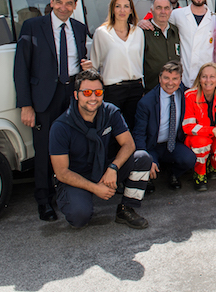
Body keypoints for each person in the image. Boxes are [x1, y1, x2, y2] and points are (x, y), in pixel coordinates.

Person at [14, 0, 92, 221]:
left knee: (72, 145)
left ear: (75, 6)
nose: (63, 7)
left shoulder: (79, 28)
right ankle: (44, 200)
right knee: (44, 150)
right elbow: (21, 68)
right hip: (44, 98)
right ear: (51, 2)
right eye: (59, 2)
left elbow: (79, 59)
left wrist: (85, 66)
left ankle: (68, 192)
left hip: (72, 94)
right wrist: (26, 105)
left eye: (69, 3)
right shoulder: (33, 26)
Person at [49, 69, 152, 229]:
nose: (93, 97)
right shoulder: (61, 127)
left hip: (105, 169)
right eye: (87, 92)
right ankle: (75, 199)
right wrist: (95, 189)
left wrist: (113, 167)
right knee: (79, 218)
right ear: (76, 95)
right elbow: (62, 172)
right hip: (77, 176)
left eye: (98, 92)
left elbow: (129, 144)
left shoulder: (110, 112)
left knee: (142, 158)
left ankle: (126, 208)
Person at [133, 61, 195, 193]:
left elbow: (204, 91)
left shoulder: (184, 93)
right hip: (152, 145)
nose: (170, 83)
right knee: (144, 164)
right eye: (166, 78)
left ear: (180, 80)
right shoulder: (146, 102)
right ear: (160, 78)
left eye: (175, 79)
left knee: (189, 159)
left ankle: (173, 174)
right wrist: (143, 156)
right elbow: (139, 133)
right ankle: (147, 177)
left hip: (172, 143)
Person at [91, 0, 145, 130]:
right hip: (113, 89)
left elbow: (140, 60)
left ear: (131, 10)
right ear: (112, 9)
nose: (122, 10)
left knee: (133, 128)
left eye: (126, 6)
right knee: (113, 130)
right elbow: (94, 64)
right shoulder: (102, 33)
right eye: (118, 6)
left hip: (135, 88)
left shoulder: (138, 32)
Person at [182, 63, 216, 191]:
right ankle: (199, 174)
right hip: (197, 138)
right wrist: (212, 130)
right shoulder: (189, 96)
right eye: (204, 77)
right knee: (201, 143)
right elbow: (188, 126)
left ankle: (211, 165)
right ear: (199, 79)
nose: (208, 80)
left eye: (212, 76)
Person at [166, 0, 216, 88]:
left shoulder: (214, 19)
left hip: (206, 80)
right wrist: (146, 22)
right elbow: (161, 24)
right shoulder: (177, 14)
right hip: (184, 77)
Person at [142, 0, 181, 93]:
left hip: (174, 88)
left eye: (166, 8)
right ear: (152, 11)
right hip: (151, 89)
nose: (163, 12)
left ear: (171, 11)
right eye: (159, 8)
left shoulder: (175, 31)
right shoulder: (143, 32)